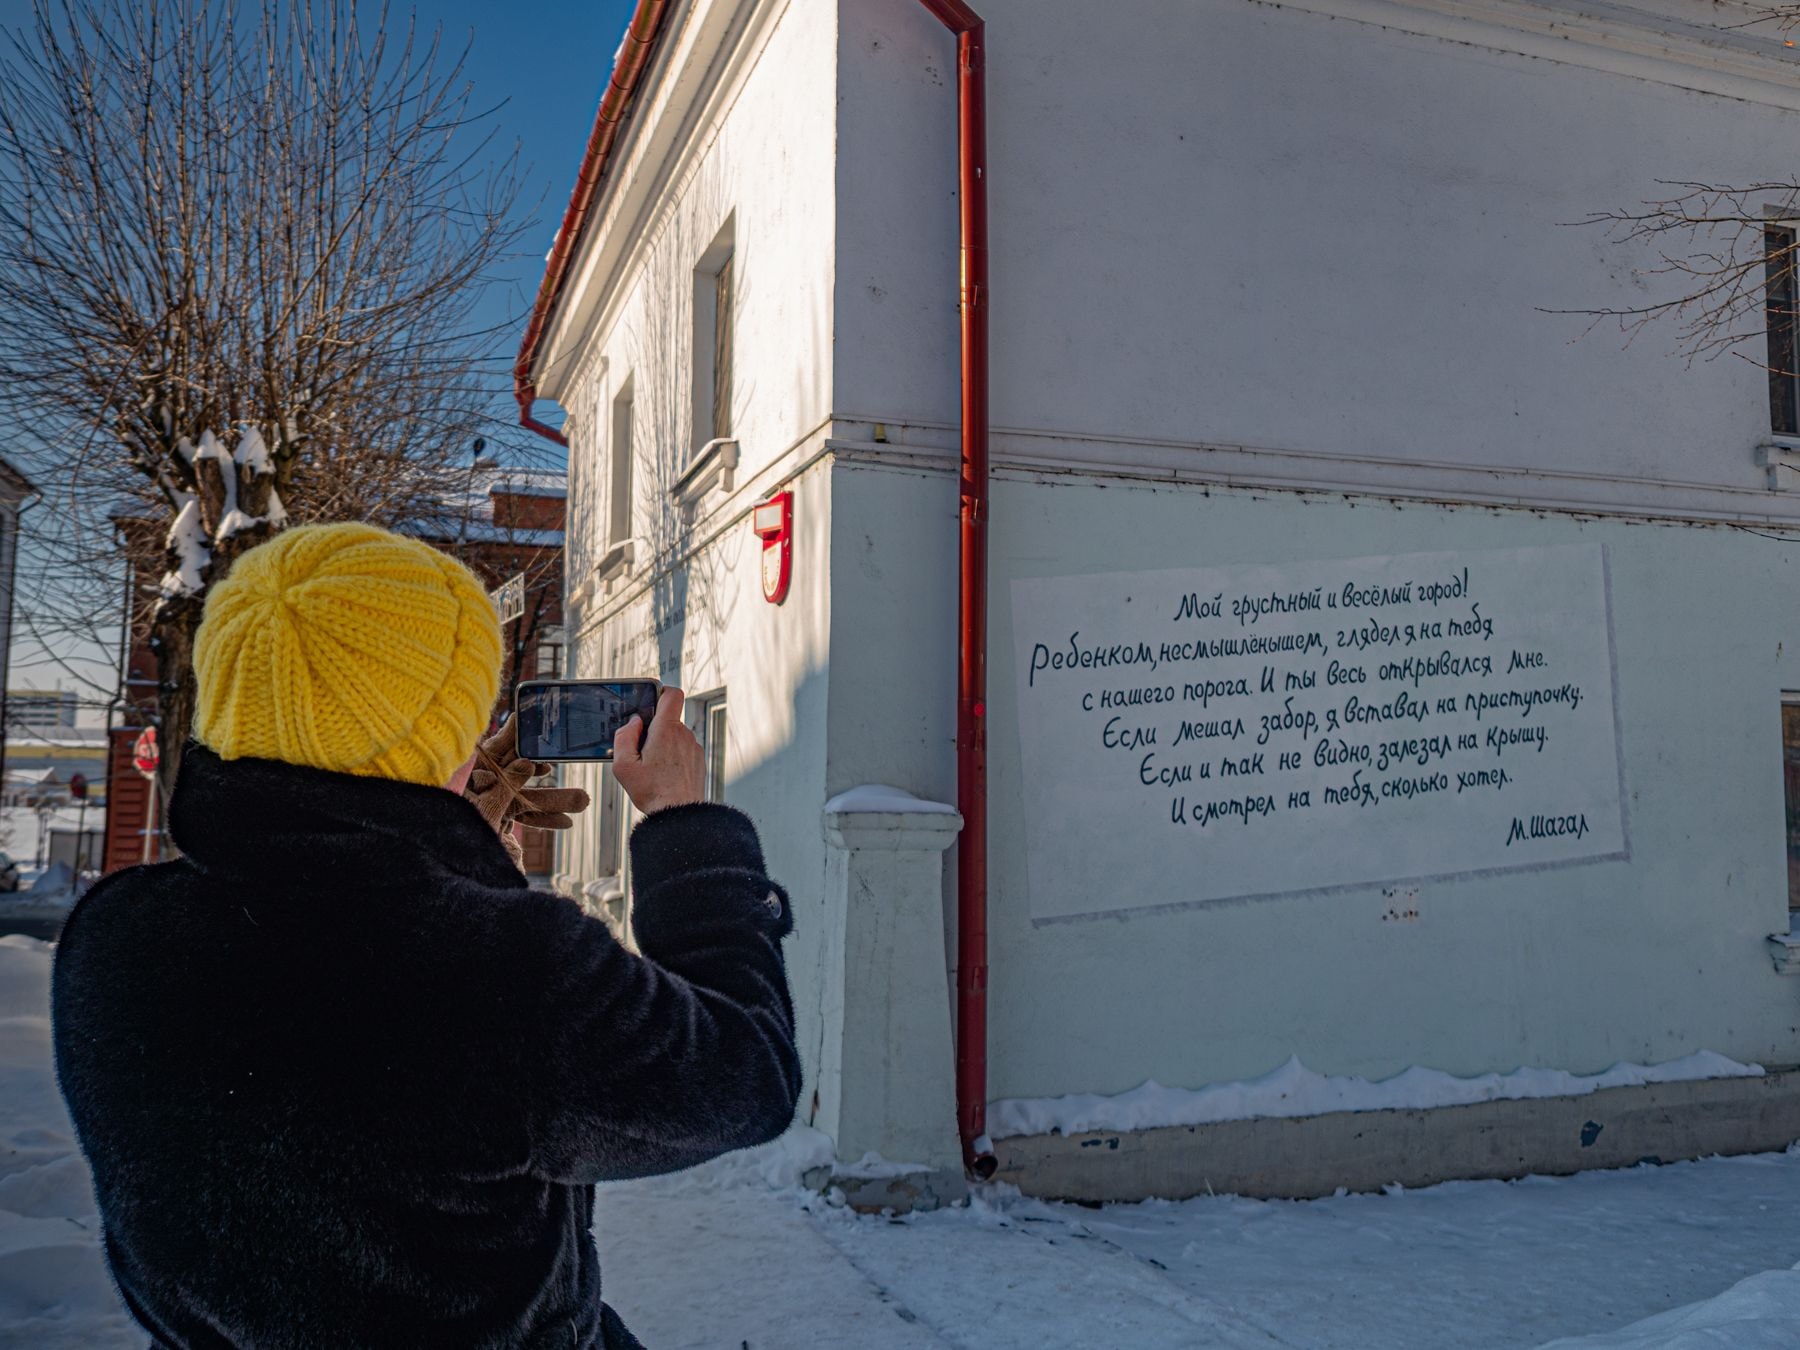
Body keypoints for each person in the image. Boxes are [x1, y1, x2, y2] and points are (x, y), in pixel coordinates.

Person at [51, 522, 800, 1349]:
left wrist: (443, 858)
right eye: (465, 711)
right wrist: (686, 828)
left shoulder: (112, 937)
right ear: (432, 735)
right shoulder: (504, 969)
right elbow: (745, 1078)